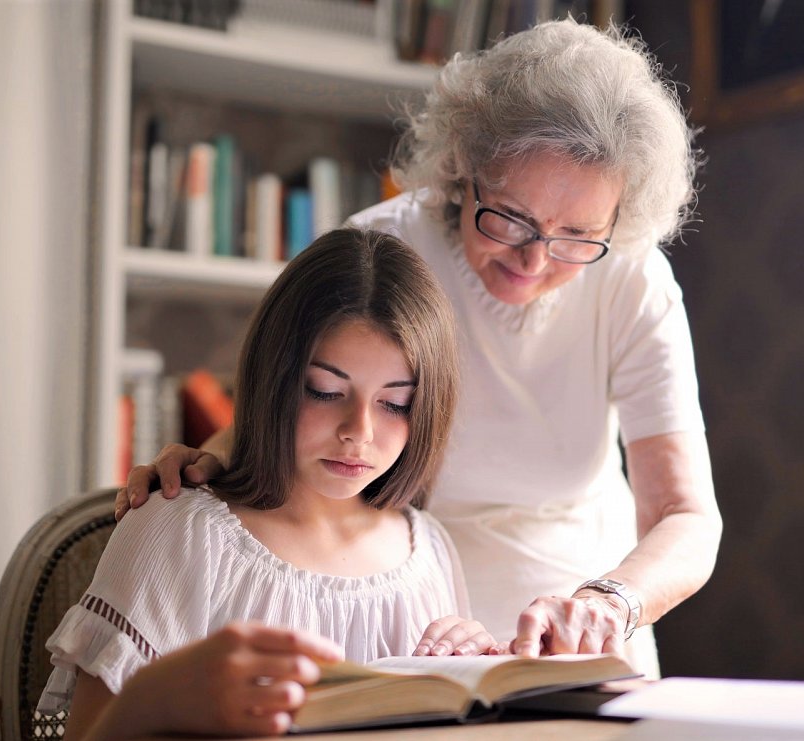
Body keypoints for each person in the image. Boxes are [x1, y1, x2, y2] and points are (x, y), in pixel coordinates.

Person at [122, 18, 722, 679]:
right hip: (416, 615)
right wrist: (204, 461)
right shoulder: (383, 251)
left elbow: (685, 515)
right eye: (511, 218)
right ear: (464, 170)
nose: (533, 259)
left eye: (577, 235)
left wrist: (610, 602)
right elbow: (304, 402)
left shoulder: (631, 279)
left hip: (582, 629)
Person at [39, 228, 496, 739]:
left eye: (395, 403)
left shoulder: (428, 551)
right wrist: (158, 693)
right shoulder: (181, 535)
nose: (359, 432)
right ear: (274, 379)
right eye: (325, 391)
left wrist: (476, 680)